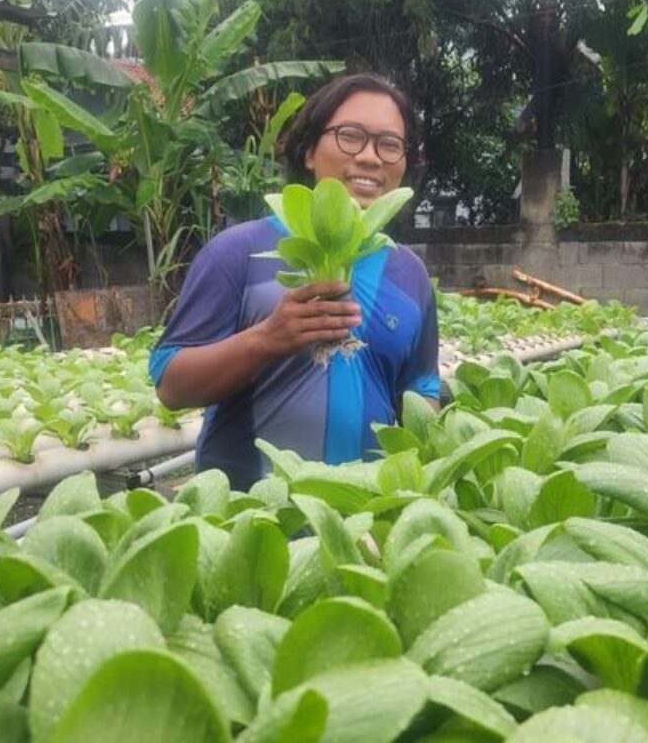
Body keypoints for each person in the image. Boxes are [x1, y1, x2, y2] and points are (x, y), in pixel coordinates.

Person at [149, 73, 440, 490]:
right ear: (308, 152)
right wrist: (266, 339)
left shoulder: (408, 273)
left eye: (390, 144)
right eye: (350, 136)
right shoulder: (236, 253)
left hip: (361, 519)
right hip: (250, 520)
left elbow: (420, 388)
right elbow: (171, 386)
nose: (371, 157)